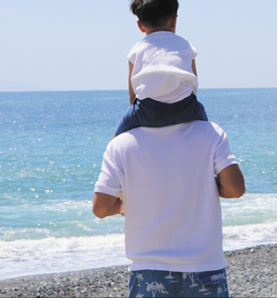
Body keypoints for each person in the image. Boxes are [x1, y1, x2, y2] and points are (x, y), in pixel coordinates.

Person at [93, 120, 245, 297]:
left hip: (150, 267)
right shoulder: (211, 132)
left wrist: (126, 201)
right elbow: (235, 188)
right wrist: (202, 184)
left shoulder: (121, 143)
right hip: (205, 264)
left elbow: (100, 209)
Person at [113, 0, 207, 137]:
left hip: (149, 111)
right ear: (174, 20)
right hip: (186, 109)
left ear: (140, 25)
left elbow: (132, 94)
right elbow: (193, 83)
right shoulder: (186, 46)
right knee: (205, 124)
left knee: (117, 139)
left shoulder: (136, 50)